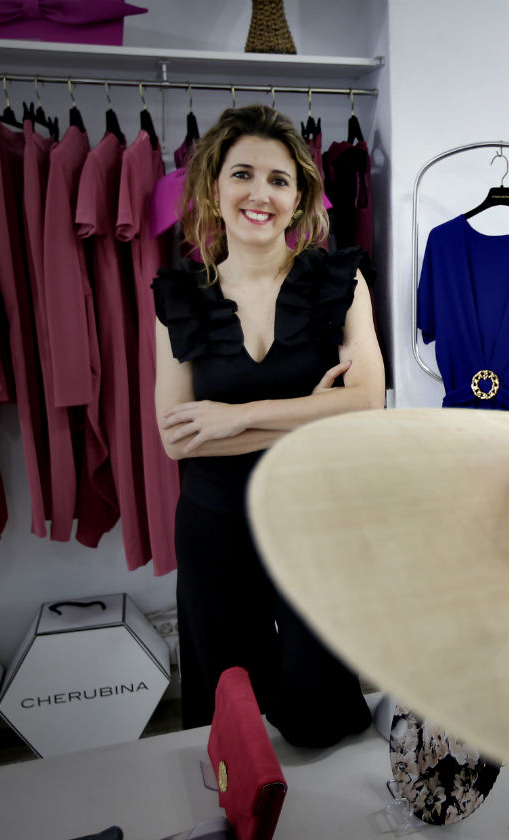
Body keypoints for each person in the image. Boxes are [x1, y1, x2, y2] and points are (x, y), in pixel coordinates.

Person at [152, 104, 384, 745]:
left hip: (311, 514)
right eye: (243, 174)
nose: (261, 194)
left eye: (280, 180)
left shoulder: (341, 280)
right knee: (228, 709)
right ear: (214, 188)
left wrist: (235, 418)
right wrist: (310, 416)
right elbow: (176, 437)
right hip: (213, 520)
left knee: (321, 702)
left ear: (301, 197)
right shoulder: (179, 297)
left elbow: (368, 402)